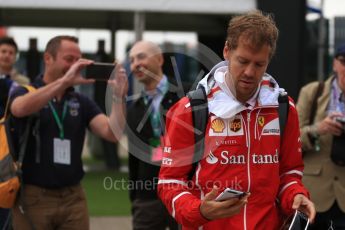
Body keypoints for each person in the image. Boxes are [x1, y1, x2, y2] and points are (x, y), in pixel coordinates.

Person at [157, 10, 316, 230]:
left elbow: (289, 173)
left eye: (259, 64)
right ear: (226, 51)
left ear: (268, 61)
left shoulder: (282, 108)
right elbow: (169, 182)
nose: (250, 72)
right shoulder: (190, 110)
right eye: (243, 61)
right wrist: (200, 210)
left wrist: (296, 195)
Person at [9, 35, 128, 230]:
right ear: (48, 58)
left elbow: (111, 133)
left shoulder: (81, 101)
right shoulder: (25, 90)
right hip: (33, 195)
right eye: (69, 59)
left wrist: (118, 97)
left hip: (73, 196)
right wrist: (64, 81)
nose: (75, 65)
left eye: (78, 59)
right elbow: (19, 109)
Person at [127, 40, 187, 230]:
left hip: (185, 192)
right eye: (131, 60)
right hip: (147, 198)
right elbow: (133, 157)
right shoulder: (134, 109)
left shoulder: (186, 95)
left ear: (159, 59)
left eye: (141, 56)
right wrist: (135, 196)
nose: (135, 63)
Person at [296, 43, 345, 229]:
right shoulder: (312, 92)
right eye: (344, 62)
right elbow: (294, 140)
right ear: (335, 64)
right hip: (314, 192)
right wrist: (319, 128)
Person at [0, 36, 30, 230]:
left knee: (10, 193)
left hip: (12, 147)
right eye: (3, 51)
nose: (7, 56)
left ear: (15, 57)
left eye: (11, 53)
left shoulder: (22, 83)